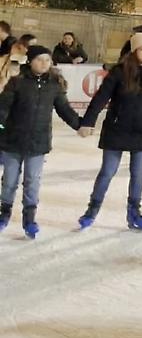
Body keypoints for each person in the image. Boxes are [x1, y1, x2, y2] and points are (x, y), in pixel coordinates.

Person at [77, 33, 142, 231]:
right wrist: (88, 121)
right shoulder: (119, 71)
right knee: (107, 172)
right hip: (117, 128)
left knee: (138, 174)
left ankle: (134, 211)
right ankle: (92, 210)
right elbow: (100, 98)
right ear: (134, 50)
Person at [0, 45, 81, 237]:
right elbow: (3, 107)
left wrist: (80, 125)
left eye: (47, 60)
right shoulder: (17, 82)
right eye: (39, 59)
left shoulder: (54, 85)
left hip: (38, 142)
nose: (44, 63)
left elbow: (64, 109)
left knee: (32, 181)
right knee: (10, 181)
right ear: (30, 61)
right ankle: (4, 213)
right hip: (13, 140)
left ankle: (29, 217)